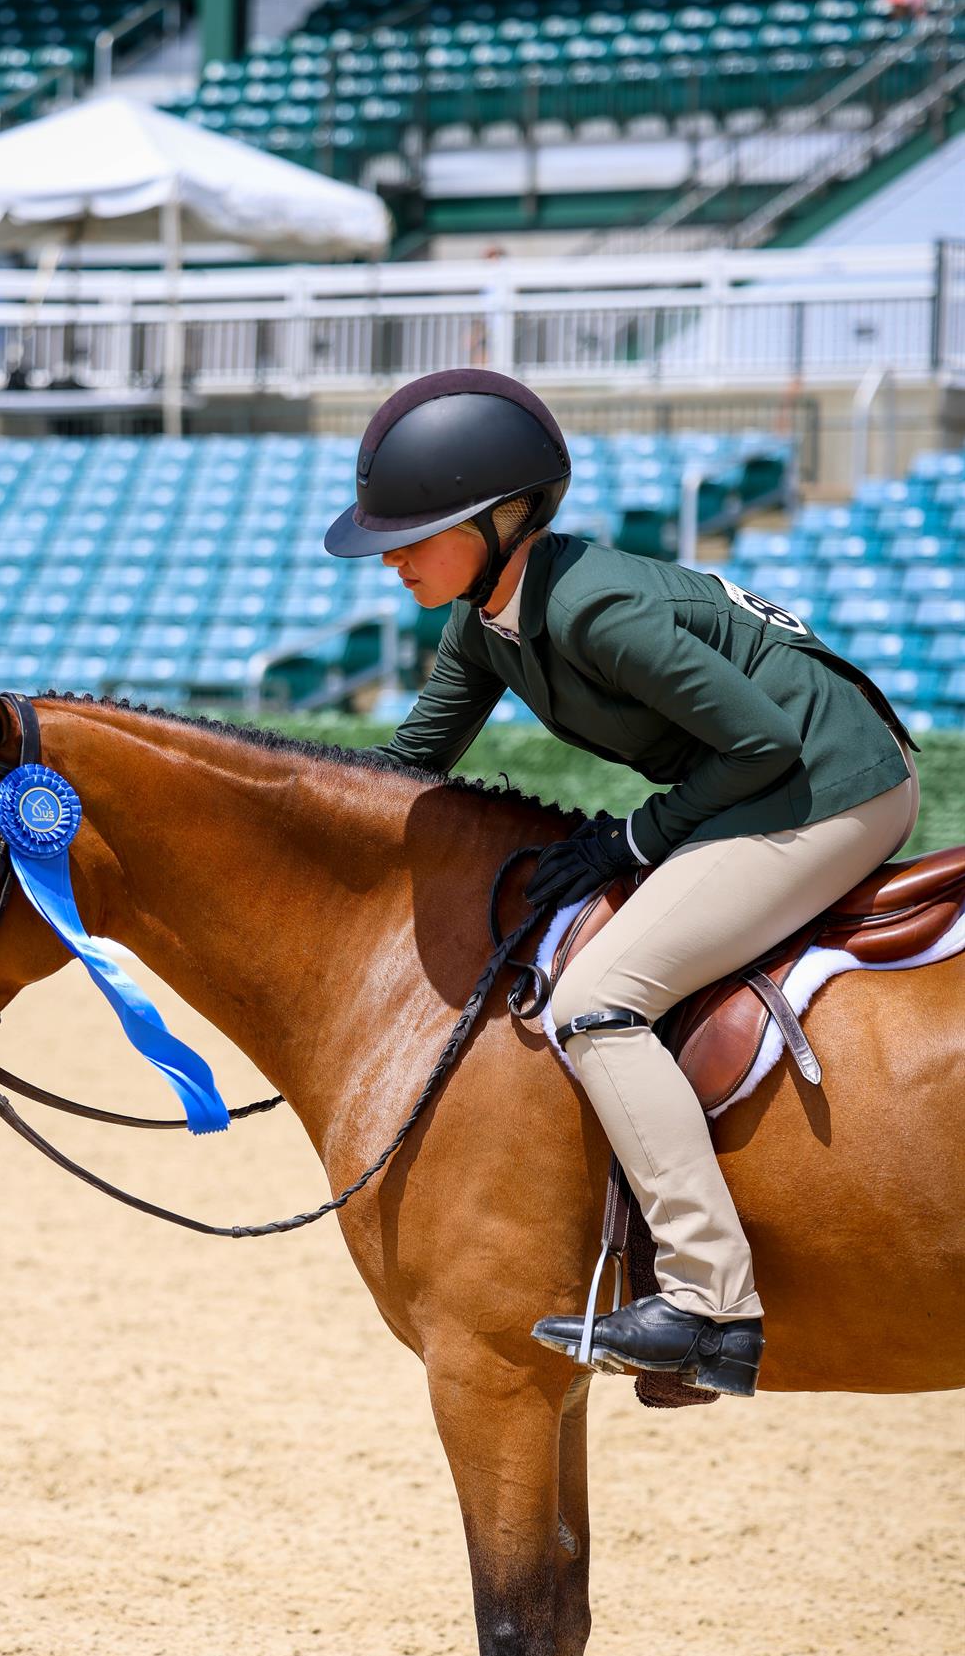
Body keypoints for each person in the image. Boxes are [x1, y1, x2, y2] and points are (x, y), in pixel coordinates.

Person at [324, 368, 920, 1394]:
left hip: (830, 788)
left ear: (506, 517)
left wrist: (631, 840)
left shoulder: (597, 607)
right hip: (757, 787)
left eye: (417, 531)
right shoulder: (482, 622)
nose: (392, 555)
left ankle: (708, 1301)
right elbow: (410, 756)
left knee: (598, 1000)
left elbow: (762, 743)